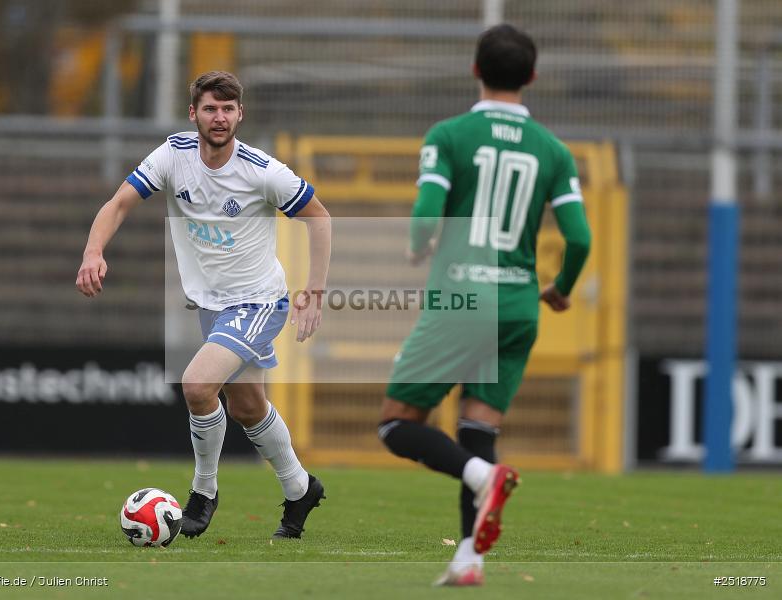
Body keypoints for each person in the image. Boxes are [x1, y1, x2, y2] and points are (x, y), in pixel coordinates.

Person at [76, 71, 332, 540]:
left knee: (197, 385)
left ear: (240, 114)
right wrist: (94, 251)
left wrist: (314, 291)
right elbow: (118, 204)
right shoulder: (173, 156)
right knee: (248, 407)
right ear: (193, 113)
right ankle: (301, 489)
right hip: (212, 305)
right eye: (210, 108)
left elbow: (319, 218)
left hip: (259, 301)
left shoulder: (262, 171)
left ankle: (203, 492)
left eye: (228, 109)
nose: (219, 117)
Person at [379, 24, 592, 586]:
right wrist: (562, 287)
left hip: (462, 299)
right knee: (478, 430)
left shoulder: (450, 135)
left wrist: (418, 245)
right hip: (518, 305)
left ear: (475, 69)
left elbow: (427, 215)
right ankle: (468, 560)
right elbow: (580, 238)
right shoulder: (554, 151)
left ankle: (483, 478)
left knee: (396, 425)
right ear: (533, 76)